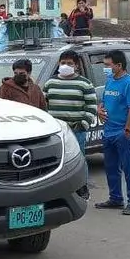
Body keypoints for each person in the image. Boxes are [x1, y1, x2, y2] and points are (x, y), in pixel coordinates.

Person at [95, 50, 130, 215]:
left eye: (108, 65)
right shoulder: (110, 80)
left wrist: (128, 130)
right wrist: (99, 109)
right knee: (111, 167)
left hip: (124, 133)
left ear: (119, 65)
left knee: (129, 168)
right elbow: (104, 100)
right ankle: (115, 198)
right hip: (108, 132)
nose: (105, 68)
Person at [44, 50, 98, 183]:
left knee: (78, 160)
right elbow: (43, 103)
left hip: (76, 129)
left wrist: (83, 125)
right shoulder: (50, 82)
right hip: (56, 130)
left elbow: (92, 107)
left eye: (70, 63)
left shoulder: (84, 84)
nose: (66, 65)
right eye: (63, 63)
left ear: (76, 66)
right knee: (56, 161)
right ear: (58, 64)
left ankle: (82, 186)